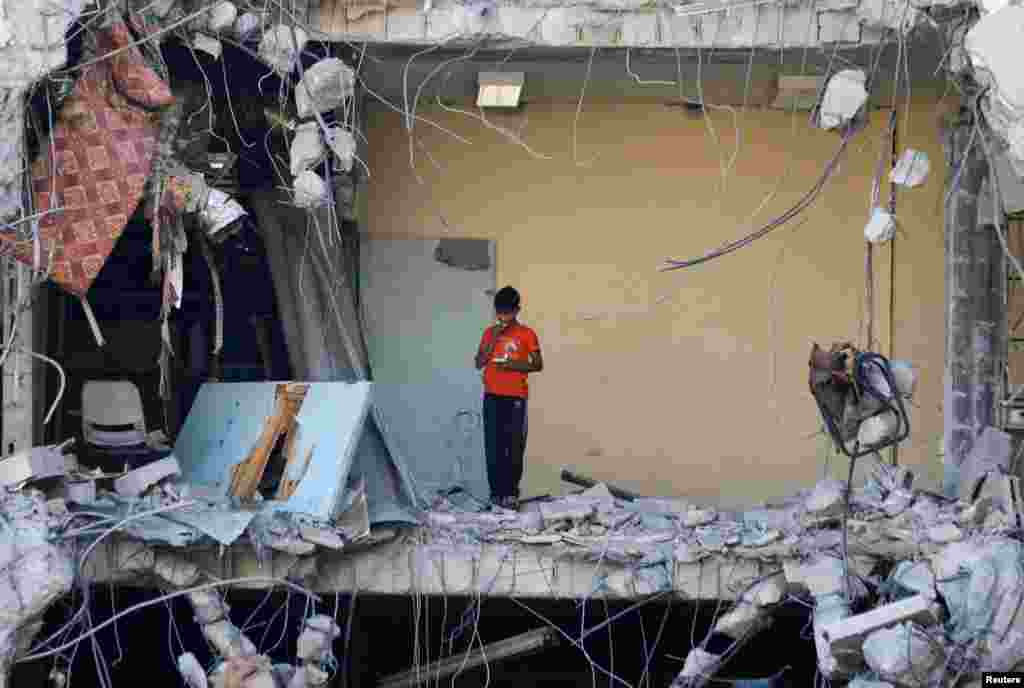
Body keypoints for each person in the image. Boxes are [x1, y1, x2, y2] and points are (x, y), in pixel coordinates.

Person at [474, 286, 543, 510]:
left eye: (507, 312)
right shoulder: (488, 332)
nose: (503, 317)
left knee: (513, 446)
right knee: (493, 445)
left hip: (515, 397)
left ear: (517, 310)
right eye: (499, 312)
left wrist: (511, 365)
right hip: (492, 396)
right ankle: (496, 494)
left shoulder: (527, 334)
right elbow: (479, 363)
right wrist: (493, 338)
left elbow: (537, 364)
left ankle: (510, 494)